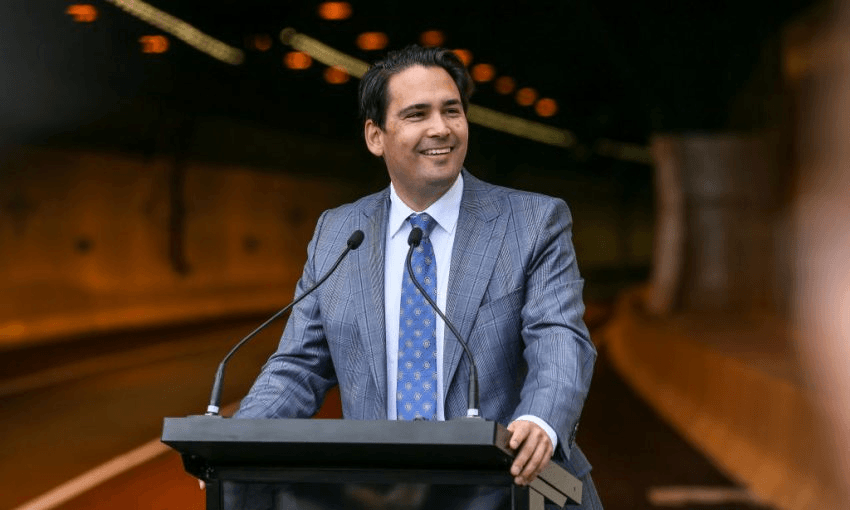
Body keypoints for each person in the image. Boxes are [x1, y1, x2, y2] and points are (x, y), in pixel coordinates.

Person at [233, 45, 602, 509]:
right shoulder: (337, 233)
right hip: (381, 494)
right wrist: (237, 442)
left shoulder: (534, 221)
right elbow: (299, 366)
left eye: (452, 111)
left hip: (510, 487)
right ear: (375, 136)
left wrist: (541, 421)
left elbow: (559, 337)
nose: (441, 128)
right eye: (416, 114)